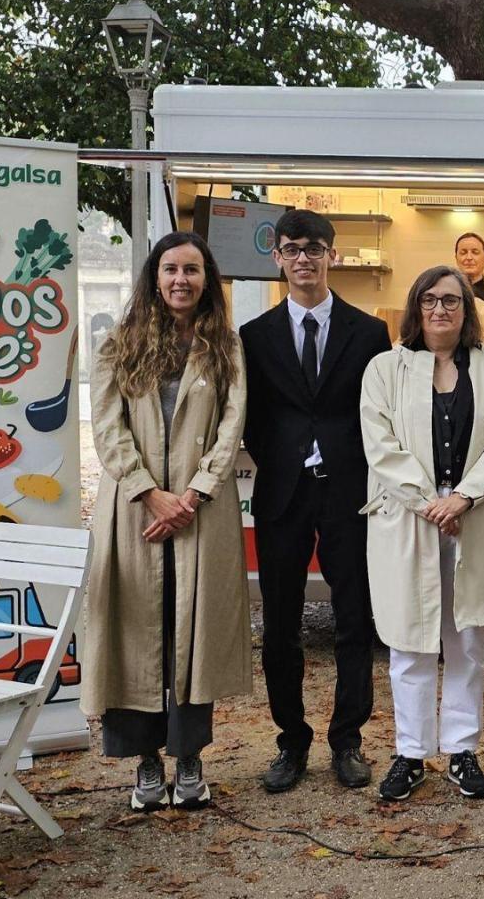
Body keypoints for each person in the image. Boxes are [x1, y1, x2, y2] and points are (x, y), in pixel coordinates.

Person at [83, 230, 250, 812]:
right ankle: (146, 762)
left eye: (193, 270)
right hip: (134, 514)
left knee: (190, 632)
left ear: (207, 281)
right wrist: (150, 493)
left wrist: (194, 495)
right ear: (155, 276)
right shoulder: (119, 345)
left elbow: (232, 427)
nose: (182, 280)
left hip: (200, 516)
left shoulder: (223, 347)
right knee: (136, 630)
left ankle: (189, 757)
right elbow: (107, 429)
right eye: (172, 269)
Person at [239, 209, 392, 793]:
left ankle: (347, 738)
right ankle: (291, 740)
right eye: (291, 248)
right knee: (281, 623)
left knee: (355, 618)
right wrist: (288, 453)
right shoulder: (254, 337)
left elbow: (375, 411)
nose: (303, 258)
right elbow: (252, 417)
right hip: (281, 494)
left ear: (333, 254)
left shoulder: (369, 332)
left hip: (350, 492)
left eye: (314, 248)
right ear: (277, 257)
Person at [359, 266, 484, 801]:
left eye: (451, 301)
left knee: (468, 642)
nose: (440, 310)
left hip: (472, 517)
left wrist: (464, 496)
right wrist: (431, 503)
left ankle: (461, 750)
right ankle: (410, 752)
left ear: (467, 310)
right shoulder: (385, 368)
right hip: (411, 520)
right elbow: (380, 446)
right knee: (410, 643)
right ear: (415, 308)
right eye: (429, 299)